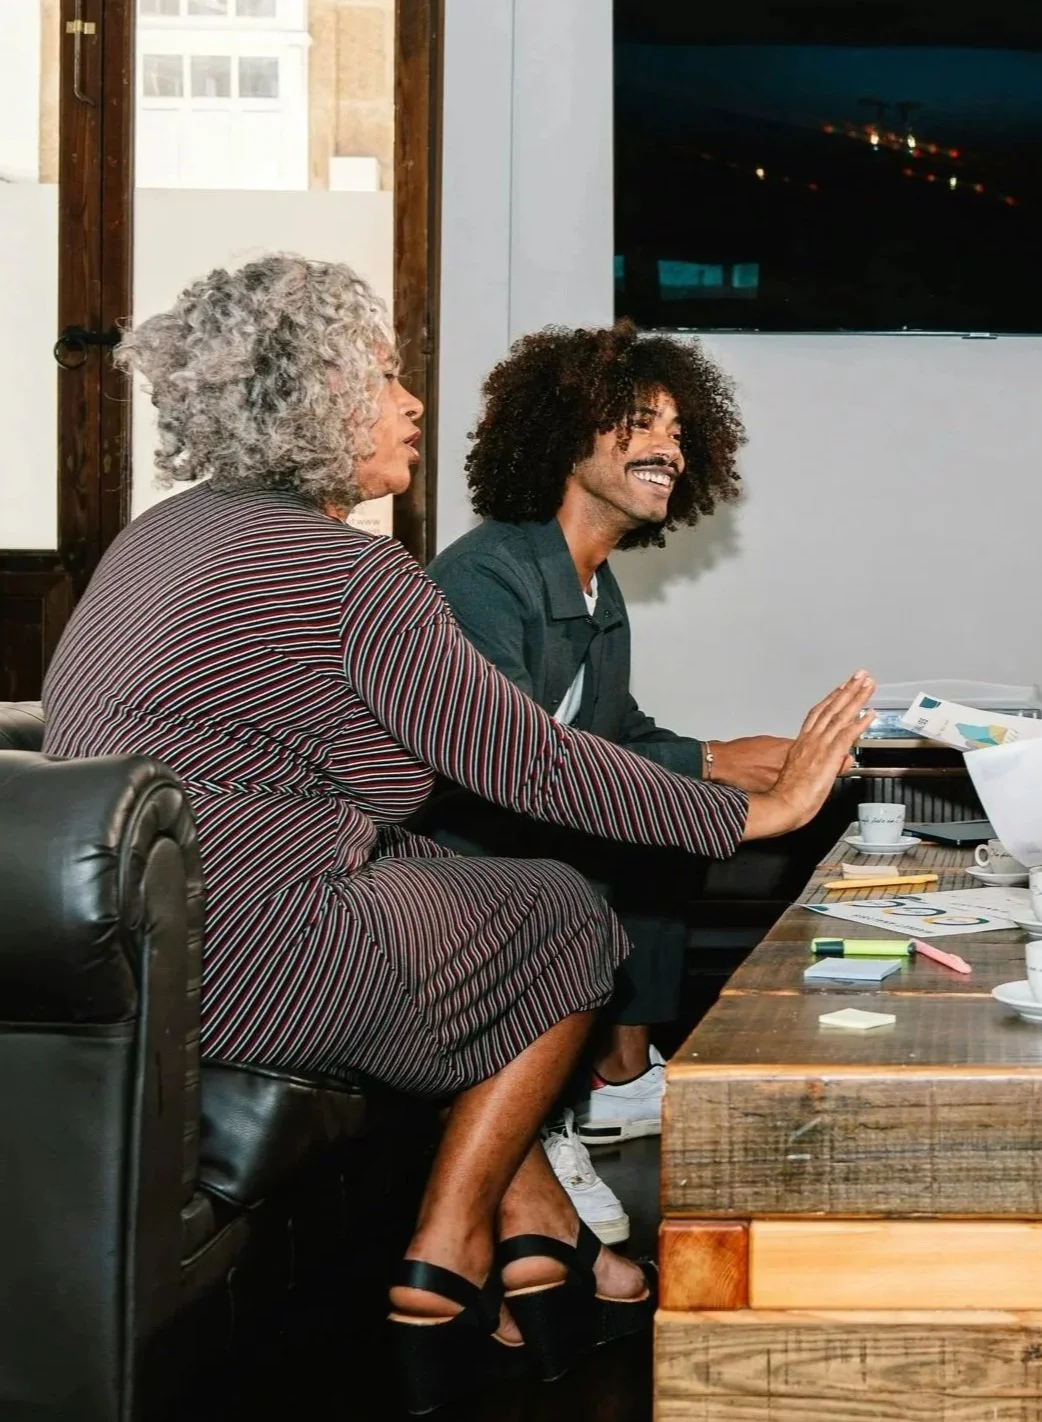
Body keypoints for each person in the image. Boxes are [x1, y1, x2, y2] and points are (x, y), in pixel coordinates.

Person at [39, 254, 875, 1413]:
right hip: (259, 959)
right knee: (568, 917)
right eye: (383, 376)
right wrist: (754, 811)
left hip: (143, 946)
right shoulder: (347, 571)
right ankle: (449, 1242)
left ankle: (528, 1223)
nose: (411, 400)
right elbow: (523, 756)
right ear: (314, 400)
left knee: (469, 883)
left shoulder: (158, 539)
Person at [423, 325, 788, 1203]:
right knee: (649, 820)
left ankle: (619, 1083)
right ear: (561, 434)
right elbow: (503, 761)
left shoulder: (596, 583)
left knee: (662, 822)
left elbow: (615, 735)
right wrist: (711, 767)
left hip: (529, 819)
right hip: (456, 849)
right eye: (639, 423)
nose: (668, 447)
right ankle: (560, 1112)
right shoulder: (485, 578)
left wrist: (729, 759)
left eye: (678, 432)